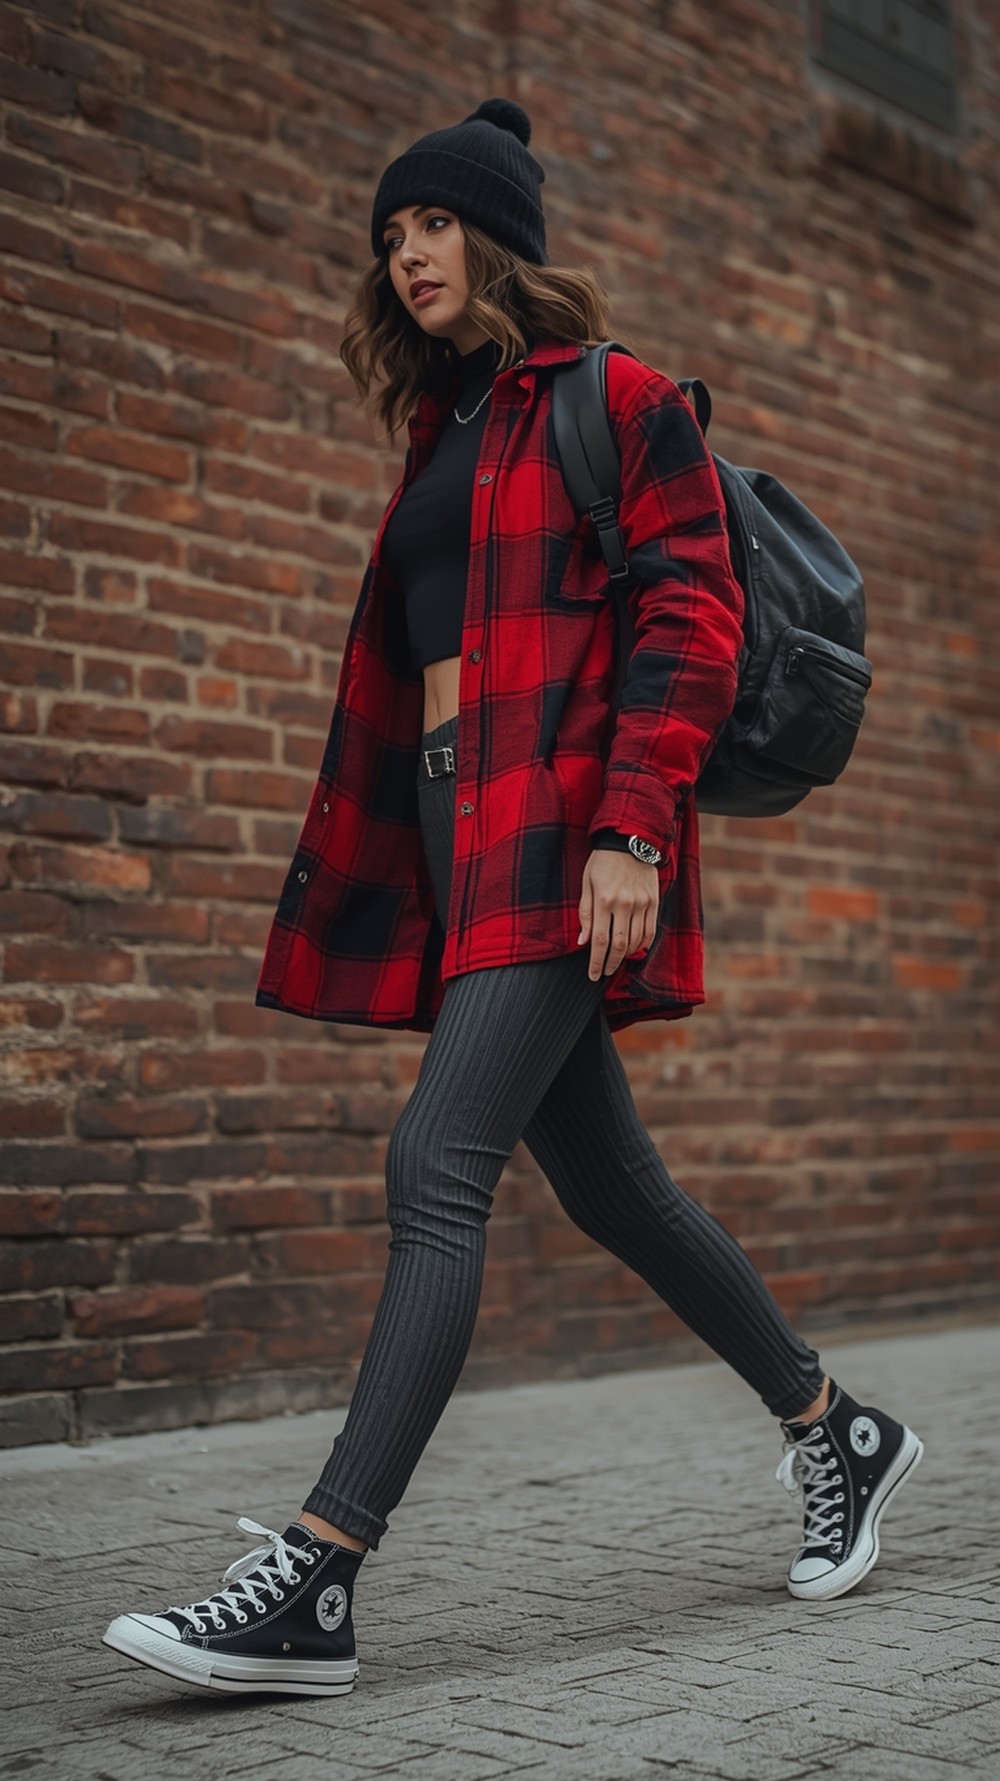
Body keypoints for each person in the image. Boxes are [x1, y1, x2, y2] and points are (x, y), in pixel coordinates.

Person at [103, 98, 922, 1698]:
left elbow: (691, 613)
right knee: (615, 1187)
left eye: (430, 223)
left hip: (561, 827)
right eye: (388, 235)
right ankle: (842, 1426)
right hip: (454, 830)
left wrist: (634, 831)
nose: (406, 252)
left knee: (437, 1162)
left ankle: (319, 1577)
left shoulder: (610, 401)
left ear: (500, 236)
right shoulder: (433, 431)